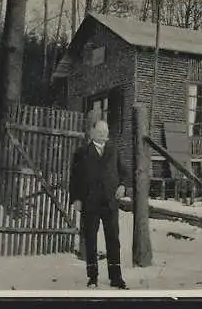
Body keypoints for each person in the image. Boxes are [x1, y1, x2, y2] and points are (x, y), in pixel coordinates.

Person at [69, 120, 129, 289]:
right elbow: (74, 178)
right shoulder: (82, 153)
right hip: (90, 203)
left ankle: (116, 278)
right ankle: (93, 277)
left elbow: (124, 172)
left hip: (110, 203)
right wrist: (76, 199)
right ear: (92, 132)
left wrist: (123, 186)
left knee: (113, 240)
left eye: (106, 131)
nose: (103, 134)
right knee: (91, 240)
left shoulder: (114, 150)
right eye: (100, 131)